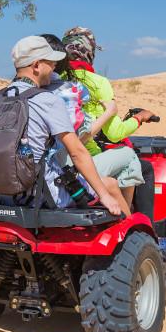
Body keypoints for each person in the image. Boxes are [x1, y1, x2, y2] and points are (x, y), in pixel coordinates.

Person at [6, 35, 126, 216]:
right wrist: (104, 195)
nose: (55, 67)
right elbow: (77, 152)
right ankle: (138, 236)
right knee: (110, 186)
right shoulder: (47, 100)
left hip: (3, 193)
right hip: (40, 195)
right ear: (37, 65)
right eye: (51, 62)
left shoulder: (3, 95)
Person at [60, 26, 157, 222]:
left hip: (58, 159)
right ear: (89, 51)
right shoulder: (98, 82)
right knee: (137, 162)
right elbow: (115, 133)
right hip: (81, 159)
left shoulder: (53, 80)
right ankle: (139, 225)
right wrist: (139, 118)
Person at [39, 33, 144, 211]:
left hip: (38, 171)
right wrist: (137, 118)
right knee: (129, 155)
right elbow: (112, 133)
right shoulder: (72, 89)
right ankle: (133, 222)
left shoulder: (29, 90)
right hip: (65, 167)